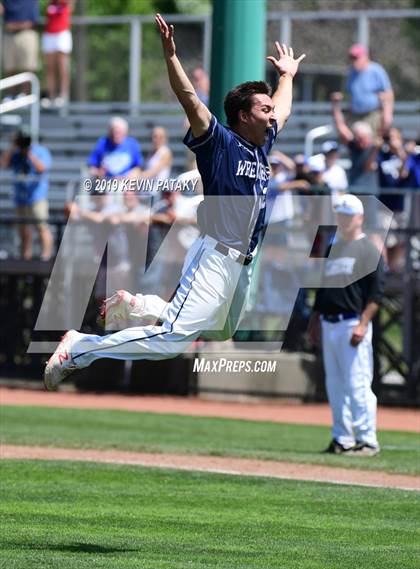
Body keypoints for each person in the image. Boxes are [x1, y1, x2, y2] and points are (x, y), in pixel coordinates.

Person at [44, 13, 306, 389]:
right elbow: (188, 99)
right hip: (215, 256)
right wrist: (171, 57)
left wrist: (287, 76)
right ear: (243, 116)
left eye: (268, 110)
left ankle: (139, 307)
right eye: (262, 110)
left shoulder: (261, 145)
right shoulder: (220, 144)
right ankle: (80, 347)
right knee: (170, 340)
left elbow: (283, 107)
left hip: (243, 264)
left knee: (220, 330)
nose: (271, 116)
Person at [307, 194, 384, 457]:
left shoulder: (368, 249)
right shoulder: (334, 247)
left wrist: (363, 324)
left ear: (359, 218)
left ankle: (367, 440)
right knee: (336, 384)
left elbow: (376, 294)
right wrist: (315, 319)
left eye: (348, 216)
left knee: (358, 383)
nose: (343, 220)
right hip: (329, 324)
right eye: (340, 215)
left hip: (352, 323)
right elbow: (323, 290)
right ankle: (342, 439)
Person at [0, 131, 53, 261]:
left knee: (41, 227)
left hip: (36, 197)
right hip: (20, 198)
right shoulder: (16, 153)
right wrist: (12, 146)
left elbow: (42, 168)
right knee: (23, 231)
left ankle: (45, 258)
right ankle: (25, 259)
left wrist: (28, 153)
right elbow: (3, 164)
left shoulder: (40, 151)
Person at [333, 44, 393, 136]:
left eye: (356, 58)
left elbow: (388, 94)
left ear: (365, 57)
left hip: (372, 115)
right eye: (352, 58)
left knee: (372, 144)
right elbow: (347, 94)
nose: (354, 61)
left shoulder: (376, 70)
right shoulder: (351, 73)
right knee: (355, 143)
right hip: (355, 115)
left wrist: (387, 115)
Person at [1, 0, 39, 96]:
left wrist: (18, 25)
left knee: (27, 67)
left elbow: (33, 19)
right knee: (10, 67)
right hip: (9, 34)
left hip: (26, 33)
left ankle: (25, 95)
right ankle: (10, 95)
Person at [87, 116, 144, 181]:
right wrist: (98, 173)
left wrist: (127, 178)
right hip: (106, 182)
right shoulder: (102, 143)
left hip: (126, 183)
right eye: (114, 132)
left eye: (119, 132)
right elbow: (92, 167)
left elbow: (138, 168)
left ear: (125, 132)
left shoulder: (132, 144)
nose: (116, 135)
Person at [41, 0, 74, 108]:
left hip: (62, 33)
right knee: (50, 68)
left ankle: (63, 95)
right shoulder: (51, 3)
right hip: (49, 34)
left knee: (63, 67)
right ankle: (51, 96)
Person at [137, 126, 173, 193]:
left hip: (158, 190)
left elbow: (154, 171)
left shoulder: (166, 152)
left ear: (165, 139)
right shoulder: (151, 152)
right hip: (148, 187)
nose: (157, 139)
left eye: (160, 137)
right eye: (155, 137)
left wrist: (137, 177)